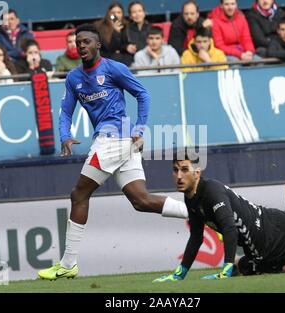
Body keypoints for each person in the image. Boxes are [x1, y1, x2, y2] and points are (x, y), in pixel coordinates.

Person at [37, 24, 189, 280]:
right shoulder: (74, 78)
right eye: (78, 42)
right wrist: (64, 135)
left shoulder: (113, 68)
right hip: (117, 142)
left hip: (114, 139)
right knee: (141, 200)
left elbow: (143, 94)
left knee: (78, 194)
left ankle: (68, 263)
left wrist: (141, 126)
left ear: (97, 45)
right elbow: (65, 111)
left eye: (86, 42)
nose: (81, 45)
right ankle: (199, 212)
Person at [153, 152, 285, 281]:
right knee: (245, 267)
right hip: (261, 254)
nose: (179, 176)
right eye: (175, 170)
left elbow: (229, 228)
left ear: (197, 173)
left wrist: (225, 268)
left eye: (184, 169)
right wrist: (180, 273)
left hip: (274, 228)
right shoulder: (191, 198)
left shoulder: (212, 191)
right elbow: (196, 237)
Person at [94, 2, 133, 66]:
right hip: (106, 58)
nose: (116, 15)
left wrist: (126, 47)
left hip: (122, 59)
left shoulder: (126, 25)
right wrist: (116, 32)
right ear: (108, 14)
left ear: (122, 14)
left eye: (119, 12)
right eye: (113, 13)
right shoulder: (99, 27)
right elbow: (108, 48)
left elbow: (123, 45)